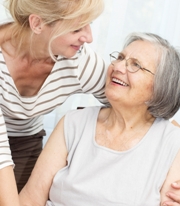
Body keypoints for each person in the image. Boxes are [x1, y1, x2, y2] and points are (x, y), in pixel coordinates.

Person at [19, 32, 180, 206]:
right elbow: (31, 198)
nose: (118, 67)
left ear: (161, 87)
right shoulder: (74, 123)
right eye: (120, 57)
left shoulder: (172, 143)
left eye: (136, 65)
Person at [0, 0, 108, 193]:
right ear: (37, 23)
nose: (89, 37)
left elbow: (135, 106)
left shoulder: (79, 62)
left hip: (26, 144)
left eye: (89, 23)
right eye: (77, 27)